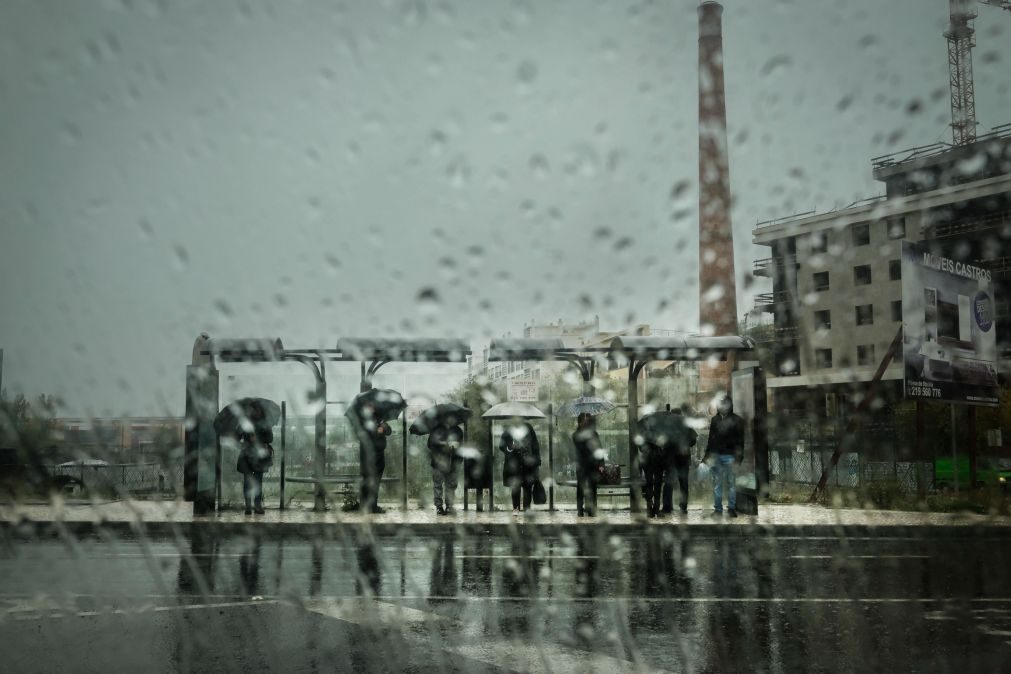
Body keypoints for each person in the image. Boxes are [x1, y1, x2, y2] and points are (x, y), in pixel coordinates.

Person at [704, 396, 745, 518]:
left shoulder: (737, 420)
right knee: (717, 483)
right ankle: (718, 509)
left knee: (731, 483)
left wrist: (739, 457)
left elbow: (740, 441)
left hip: (731, 456)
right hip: (716, 456)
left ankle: (731, 508)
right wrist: (707, 456)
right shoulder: (715, 420)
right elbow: (711, 439)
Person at [356, 401, 392, 514]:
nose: (372, 408)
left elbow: (389, 431)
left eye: (373, 406)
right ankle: (366, 506)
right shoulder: (363, 420)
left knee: (376, 482)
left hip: (379, 455)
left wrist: (383, 428)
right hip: (368, 456)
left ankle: (373, 506)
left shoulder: (380, 419)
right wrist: (378, 431)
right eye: (369, 405)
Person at [499, 418, 541, 513]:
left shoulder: (528, 428)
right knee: (515, 487)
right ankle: (516, 508)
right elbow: (501, 445)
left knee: (527, 487)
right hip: (514, 464)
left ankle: (527, 509)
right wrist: (510, 447)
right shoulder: (509, 429)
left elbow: (535, 445)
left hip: (528, 463)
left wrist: (537, 461)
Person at [663, 405, 697, 515]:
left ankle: (667, 507)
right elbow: (693, 440)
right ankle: (683, 507)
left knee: (669, 482)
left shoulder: (667, 424)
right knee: (684, 483)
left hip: (670, 457)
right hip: (683, 457)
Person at [572, 413, 605, 517]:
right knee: (581, 487)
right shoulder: (576, 434)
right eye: (584, 421)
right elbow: (582, 448)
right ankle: (580, 509)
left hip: (593, 465)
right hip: (582, 465)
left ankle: (592, 509)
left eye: (587, 421)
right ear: (580, 422)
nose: (586, 423)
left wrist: (601, 464)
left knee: (592, 487)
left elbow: (599, 448)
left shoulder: (594, 433)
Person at [236, 425, 273, 515]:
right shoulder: (244, 423)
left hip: (259, 457)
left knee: (257, 482)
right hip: (247, 456)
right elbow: (236, 437)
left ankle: (256, 506)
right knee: (248, 483)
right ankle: (249, 507)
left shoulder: (264, 423)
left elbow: (270, 438)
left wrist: (259, 439)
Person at [428, 421, 463, 516]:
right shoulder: (436, 430)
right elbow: (430, 444)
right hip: (438, 462)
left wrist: (455, 448)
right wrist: (444, 444)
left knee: (451, 484)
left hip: (453, 461)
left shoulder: (457, 430)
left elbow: (462, 445)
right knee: (438, 484)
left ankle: (449, 506)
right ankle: (439, 507)